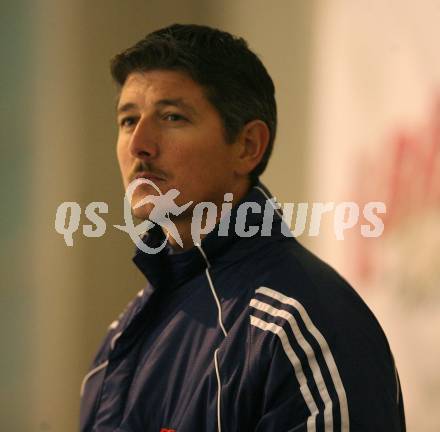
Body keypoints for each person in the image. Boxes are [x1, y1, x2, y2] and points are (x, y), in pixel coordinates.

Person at [79, 24, 406, 431]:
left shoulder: (301, 328)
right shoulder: (120, 338)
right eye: (128, 120)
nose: (139, 144)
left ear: (248, 146)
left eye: (172, 116)